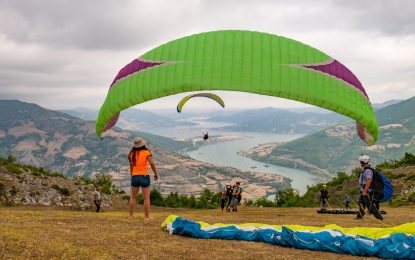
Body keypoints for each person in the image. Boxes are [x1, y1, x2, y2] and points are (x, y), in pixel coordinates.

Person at [128, 137, 159, 221]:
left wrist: (132, 175)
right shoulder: (146, 152)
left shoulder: (131, 154)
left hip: (135, 176)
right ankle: (146, 217)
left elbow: (131, 167)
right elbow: (152, 163)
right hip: (144, 176)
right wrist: (156, 174)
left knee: (133, 197)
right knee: (146, 198)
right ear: (143, 144)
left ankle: (131, 216)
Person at [356, 155, 383, 220]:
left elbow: (369, 180)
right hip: (364, 190)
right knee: (361, 202)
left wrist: (365, 190)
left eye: (361, 162)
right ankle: (359, 216)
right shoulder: (365, 170)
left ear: (362, 162)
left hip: (367, 190)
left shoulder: (368, 171)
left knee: (369, 204)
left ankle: (379, 217)